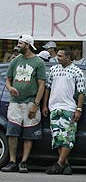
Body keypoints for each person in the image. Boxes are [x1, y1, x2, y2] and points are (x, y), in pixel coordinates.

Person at [1, 34, 46, 173]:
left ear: (27, 45)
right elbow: (8, 79)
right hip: (15, 103)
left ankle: (24, 162)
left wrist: (36, 103)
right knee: (12, 133)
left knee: (29, 133)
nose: (18, 45)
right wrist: (10, 88)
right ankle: (12, 161)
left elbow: (41, 85)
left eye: (20, 43)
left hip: (30, 102)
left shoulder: (38, 62)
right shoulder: (15, 61)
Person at [42, 47, 86, 175]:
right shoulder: (53, 69)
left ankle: (59, 164)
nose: (57, 58)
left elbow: (81, 92)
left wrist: (79, 109)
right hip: (54, 107)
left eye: (60, 56)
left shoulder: (77, 71)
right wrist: (45, 105)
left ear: (68, 57)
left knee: (67, 137)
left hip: (69, 108)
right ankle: (66, 165)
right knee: (58, 137)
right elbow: (47, 88)